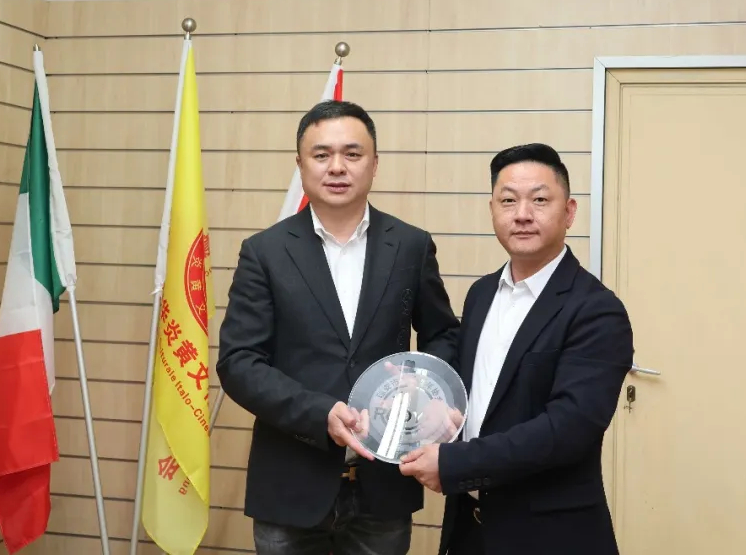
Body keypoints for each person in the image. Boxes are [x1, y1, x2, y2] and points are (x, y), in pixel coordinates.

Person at [216, 100, 460, 555]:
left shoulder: (411, 246)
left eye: (352, 153)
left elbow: (443, 335)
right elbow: (239, 363)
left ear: (374, 164)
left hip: (384, 485)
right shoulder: (264, 253)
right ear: (300, 165)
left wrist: (424, 387)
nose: (337, 167)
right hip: (290, 484)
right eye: (321, 154)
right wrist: (319, 413)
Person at [399, 143, 634, 555]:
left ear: (570, 212)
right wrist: (424, 403)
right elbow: (477, 399)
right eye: (508, 200)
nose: (522, 214)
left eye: (539, 200)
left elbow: (568, 430)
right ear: (492, 210)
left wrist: (455, 464)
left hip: (549, 536)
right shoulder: (481, 293)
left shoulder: (597, 310)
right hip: (469, 531)